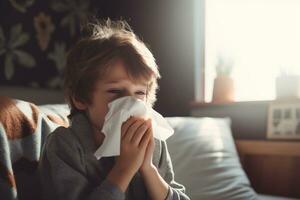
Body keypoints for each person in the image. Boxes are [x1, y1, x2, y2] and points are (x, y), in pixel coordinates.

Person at [38, 19, 190, 200]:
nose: (131, 103)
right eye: (115, 91)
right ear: (80, 98)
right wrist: (124, 169)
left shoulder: (153, 142)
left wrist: (148, 168)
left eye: (140, 93)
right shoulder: (65, 146)